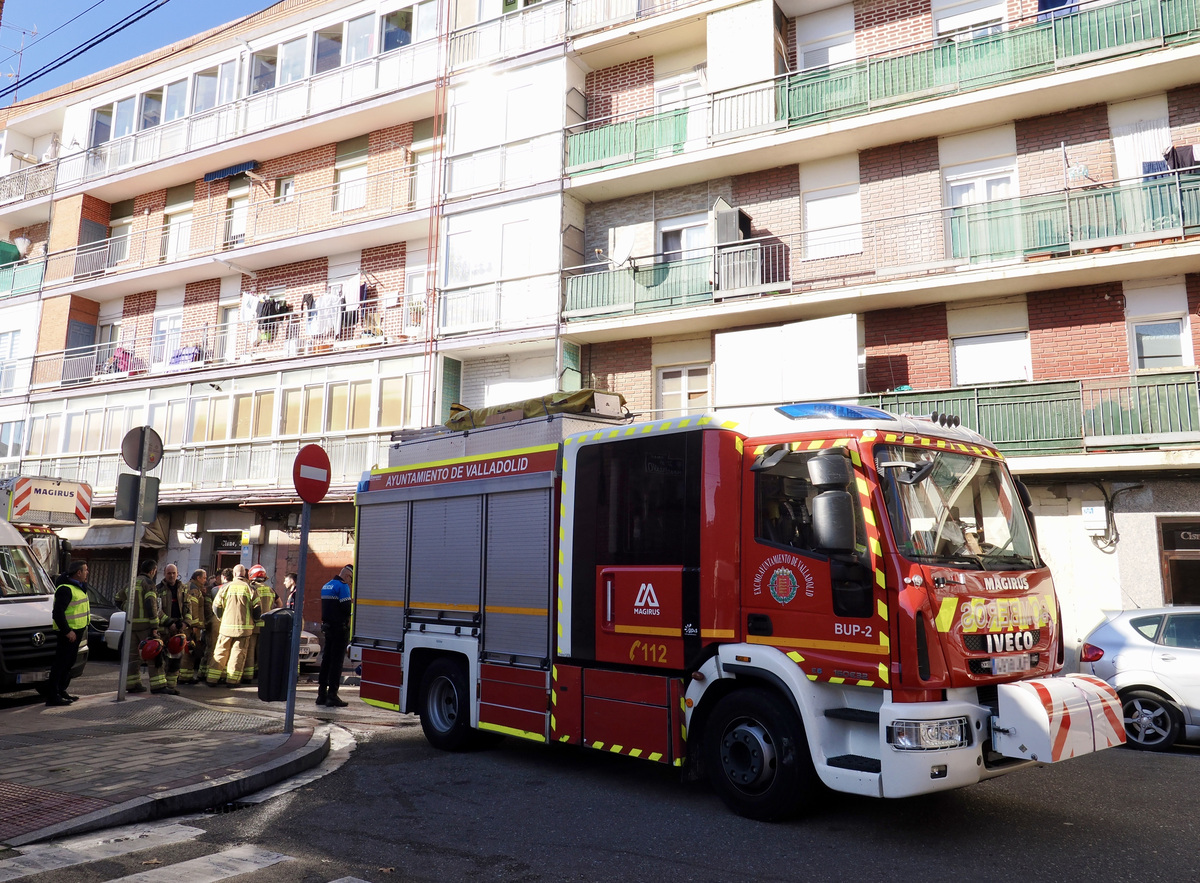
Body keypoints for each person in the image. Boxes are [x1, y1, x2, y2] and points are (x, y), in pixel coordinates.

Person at [206, 564, 261, 687]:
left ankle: (212, 679)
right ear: (245, 574)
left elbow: (216, 607)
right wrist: (255, 620)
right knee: (238, 654)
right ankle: (232, 681)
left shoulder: (225, 588)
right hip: (244, 629)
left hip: (225, 627)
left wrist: (221, 618)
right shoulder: (250, 589)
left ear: (235, 574)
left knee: (220, 652)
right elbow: (257, 610)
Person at [124, 559, 173, 694]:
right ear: (152, 571)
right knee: (154, 655)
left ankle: (132, 684)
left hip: (131, 625)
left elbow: (118, 598)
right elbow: (151, 604)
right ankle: (158, 686)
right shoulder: (149, 583)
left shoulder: (131, 583)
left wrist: (130, 610)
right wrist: (154, 626)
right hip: (146, 626)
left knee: (132, 657)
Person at [47, 560, 89, 706]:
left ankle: (61, 690)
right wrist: (67, 631)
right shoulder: (65, 589)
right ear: (78, 572)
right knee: (61, 664)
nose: (87, 573)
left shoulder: (79, 587)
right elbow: (58, 613)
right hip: (68, 634)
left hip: (77, 632)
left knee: (69, 663)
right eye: (85, 570)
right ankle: (53, 695)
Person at [317, 564, 353, 707]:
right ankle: (333, 695)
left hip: (328, 628)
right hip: (339, 629)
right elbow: (346, 608)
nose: (350, 583)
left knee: (326, 661)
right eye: (351, 579)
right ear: (347, 576)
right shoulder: (342, 586)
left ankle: (321, 694)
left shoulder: (326, 586)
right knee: (336, 663)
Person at [243, 564, 278, 682]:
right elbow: (280, 604)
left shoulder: (252, 588)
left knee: (250, 651)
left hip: (253, 624)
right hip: (266, 625)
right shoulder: (270, 589)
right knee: (262, 650)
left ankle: (248, 675)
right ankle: (261, 673)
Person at [178, 568, 210, 684]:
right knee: (189, 650)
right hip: (191, 627)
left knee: (189, 650)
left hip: (190, 624)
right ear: (198, 578)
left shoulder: (193, 587)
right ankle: (184, 677)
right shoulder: (194, 589)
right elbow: (194, 608)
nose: (205, 580)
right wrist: (195, 625)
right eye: (204, 577)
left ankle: (187, 676)